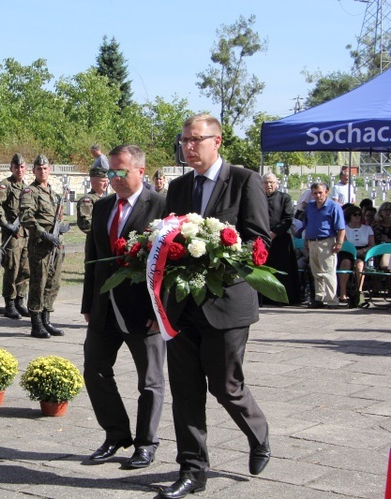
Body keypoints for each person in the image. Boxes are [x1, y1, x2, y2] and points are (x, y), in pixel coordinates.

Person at [159, 114, 272, 498]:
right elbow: (165, 239)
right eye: (184, 140)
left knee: (226, 386)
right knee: (186, 390)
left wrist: (215, 254)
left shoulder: (243, 181)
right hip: (182, 306)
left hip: (226, 304)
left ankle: (258, 433)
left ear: (217, 141)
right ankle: (192, 470)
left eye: (196, 140)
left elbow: (260, 243)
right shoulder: (176, 188)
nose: (189, 146)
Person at [81, 145, 166, 469]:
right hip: (104, 307)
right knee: (95, 370)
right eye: (110, 173)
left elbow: (171, 264)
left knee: (150, 380)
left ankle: (146, 443)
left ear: (140, 172)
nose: (113, 179)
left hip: (145, 311)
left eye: (121, 172)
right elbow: (93, 259)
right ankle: (116, 434)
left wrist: (162, 312)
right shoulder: (102, 208)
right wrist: (89, 301)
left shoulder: (161, 206)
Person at [20, 154, 70, 339]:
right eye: (39, 169)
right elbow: (26, 217)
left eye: (45, 168)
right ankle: (36, 323)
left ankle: (46, 319)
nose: (42, 171)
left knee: (53, 283)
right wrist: (44, 233)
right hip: (40, 244)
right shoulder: (29, 192)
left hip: (55, 245)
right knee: (38, 283)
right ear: (33, 171)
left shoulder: (53, 193)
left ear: (49, 170)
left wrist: (61, 229)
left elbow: (58, 217)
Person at [0, 153, 30, 320]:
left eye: (22, 167)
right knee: (12, 268)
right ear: (11, 168)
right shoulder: (5, 186)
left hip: (26, 234)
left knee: (25, 269)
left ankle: (20, 301)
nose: (19, 170)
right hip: (12, 235)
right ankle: (9, 303)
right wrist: (5, 224)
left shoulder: (27, 188)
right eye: (16, 167)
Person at [303, 181, 346, 309]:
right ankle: (319, 297)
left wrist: (339, 242)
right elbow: (307, 224)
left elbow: (341, 228)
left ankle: (332, 299)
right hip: (312, 241)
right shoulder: (310, 206)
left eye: (320, 192)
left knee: (328, 271)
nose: (317, 195)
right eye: (315, 193)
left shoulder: (334, 206)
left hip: (327, 241)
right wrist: (306, 241)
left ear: (326, 192)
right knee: (316, 272)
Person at [262, 173, 300, 305]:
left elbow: (288, 219)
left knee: (282, 270)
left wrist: (273, 233)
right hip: (263, 239)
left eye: (271, 182)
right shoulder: (258, 198)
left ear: (277, 183)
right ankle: (265, 297)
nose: (269, 185)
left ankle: (283, 298)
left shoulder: (285, 198)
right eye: (266, 182)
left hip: (281, 239)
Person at [338, 204, 374, 302]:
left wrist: (363, 251)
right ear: (349, 216)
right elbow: (344, 243)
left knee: (359, 264)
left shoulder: (367, 229)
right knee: (346, 262)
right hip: (347, 251)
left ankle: (359, 292)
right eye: (354, 214)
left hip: (363, 251)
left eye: (359, 214)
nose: (357, 216)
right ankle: (343, 292)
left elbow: (372, 244)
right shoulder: (343, 229)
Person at [76, 166, 108, 236]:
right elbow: (86, 224)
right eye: (103, 181)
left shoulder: (105, 199)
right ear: (93, 182)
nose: (106, 184)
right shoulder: (87, 201)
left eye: (107, 181)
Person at [372, 202, 391, 270]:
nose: (388, 212)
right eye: (385, 210)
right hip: (378, 249)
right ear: (380, 212)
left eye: (390, 209)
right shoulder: (376, 225)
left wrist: (388, 240)